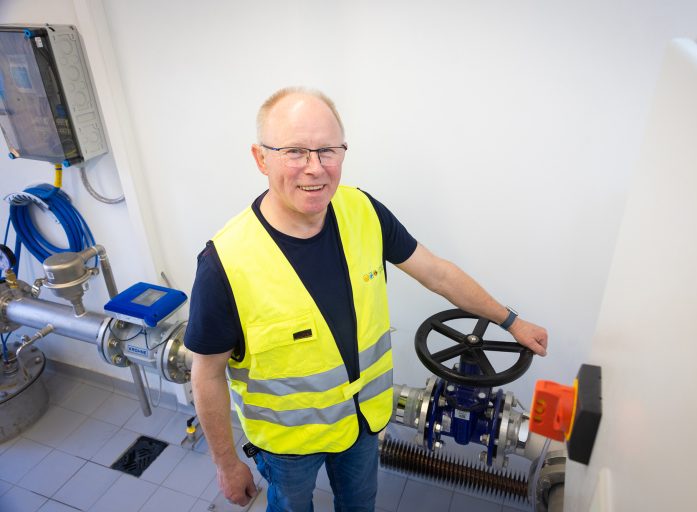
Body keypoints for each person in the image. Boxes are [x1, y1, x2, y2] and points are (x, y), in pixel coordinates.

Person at [184, 86, 548, 512]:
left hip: (362, 424)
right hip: (289, 447)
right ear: (261, 157)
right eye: (295, 152)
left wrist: (511, 322)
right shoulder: (225, 262)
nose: (315, 169)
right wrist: (227, 464)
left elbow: (437, 273)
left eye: (328, 151)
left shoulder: (363, 212)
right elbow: (206, 374)